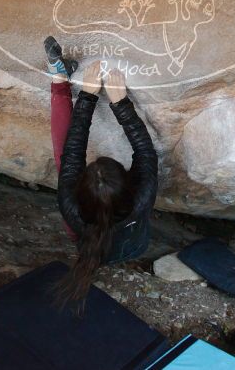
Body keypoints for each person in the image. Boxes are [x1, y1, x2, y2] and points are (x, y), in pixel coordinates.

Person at [44, 36, 158, 306]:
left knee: (64, 158)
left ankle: (60, 79)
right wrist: (120, 103)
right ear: (130, 186)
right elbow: (145, 151)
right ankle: (59, 81)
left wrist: (87, 96)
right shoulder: (142, 196)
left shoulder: (70, 206)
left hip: (88, 241)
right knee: (65, 162)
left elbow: (72, 152)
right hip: (133, 246)